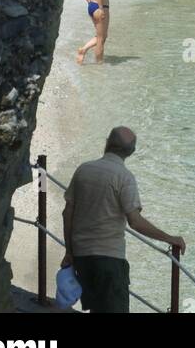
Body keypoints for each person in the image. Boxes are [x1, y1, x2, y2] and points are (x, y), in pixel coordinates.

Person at [62, 127, 185, 314]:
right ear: (131, 152)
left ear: (106, 142)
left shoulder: (83, 170)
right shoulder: (124, 178)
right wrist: (170, 238)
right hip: (109, 261)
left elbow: (67, 213)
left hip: (81, 257)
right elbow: (135, 222)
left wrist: (69, 251)